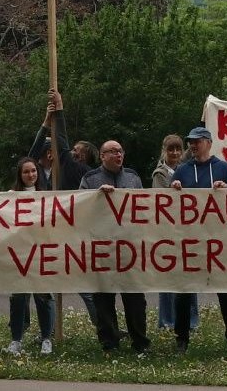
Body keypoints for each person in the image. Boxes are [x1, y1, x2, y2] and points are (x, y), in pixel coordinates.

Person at [169, 125, 227, 352]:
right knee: (184, 291)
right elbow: (170, 204)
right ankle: (181, 338)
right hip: (189, 240)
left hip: (216, 239)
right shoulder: (182, 170)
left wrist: (225, 188)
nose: (193, 145)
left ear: (208, 143)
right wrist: (174, 189)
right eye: (191, 141)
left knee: (224, 290)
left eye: (197, 141)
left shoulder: (223, 168)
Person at [81, 140, 150, 353]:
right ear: (102, 156)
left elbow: (144, 207)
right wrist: (96, 197)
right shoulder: (90, 179)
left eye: (120, 151)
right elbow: (81, 208)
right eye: (112, 152)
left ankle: (140, 341)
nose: (118, 155)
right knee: (103, 298)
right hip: (103, 247)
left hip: (129, 248)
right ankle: (109, 342)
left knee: (135, 298)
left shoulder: (133, 177)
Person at [4, 157, 56, 356]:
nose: (30, 175)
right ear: (20, 175)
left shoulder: (46, 196)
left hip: (42, 254)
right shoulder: (11, 197)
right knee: (18, 298)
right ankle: (16, 339)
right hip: (20, 254)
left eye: (33, 170)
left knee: (43, 297)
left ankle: (46, 338)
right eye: (26, 171)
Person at [151, 135, 191, 337]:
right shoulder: (160, 174)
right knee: (167, 277)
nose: (175, 153)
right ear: (164, 150)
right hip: (167, 231)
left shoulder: (188, 169)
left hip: (187, 229)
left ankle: (190, 320)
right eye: (171, 149)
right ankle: (167, 320)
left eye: (178, 149)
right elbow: (160, 199)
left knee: (189, 275)